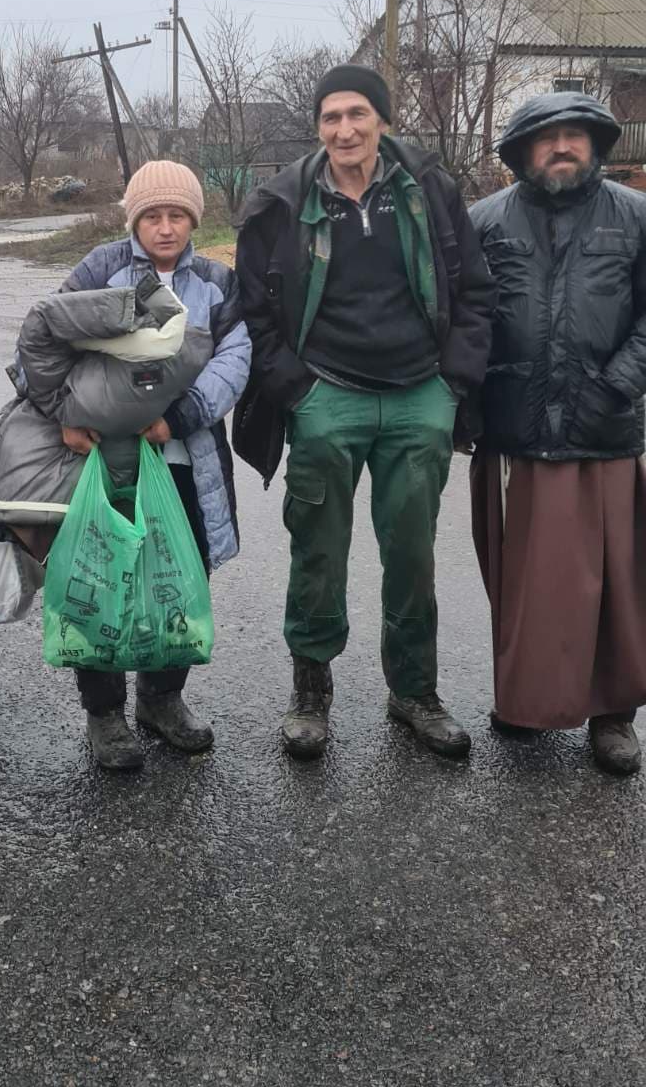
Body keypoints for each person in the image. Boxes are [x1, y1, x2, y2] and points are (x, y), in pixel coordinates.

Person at [234, 64, 494, 761]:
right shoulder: (283, 203)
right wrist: (296, 389)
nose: (344, 129)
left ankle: (414, 692)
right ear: (317, 127)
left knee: (412, 554)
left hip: (419, 395)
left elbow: (474, 288)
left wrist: (451, 385)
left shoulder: (430, 190)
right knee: (317, 550)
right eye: (331, 117)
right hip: (327, 395)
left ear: (382, 119)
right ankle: (311, 692)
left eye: (357, 114)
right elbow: (253, 308)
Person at [470, 93, 646, 774]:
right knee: (524, 583)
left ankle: (613, 716)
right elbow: (462, 322)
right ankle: (528, 701)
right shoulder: (483, 222)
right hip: (513, 429)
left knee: (612, 584)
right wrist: (465, 406)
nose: (562, 147)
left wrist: (617, 384)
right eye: (547, 139)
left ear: (597, 146)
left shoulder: (634, 218)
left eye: (575, 136)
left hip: (603, 426)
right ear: (520, 152)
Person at [57, 160, 251, 769]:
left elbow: (237, 357)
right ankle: (105, 711)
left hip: (185, 461)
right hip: (109, 462)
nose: (165, 228)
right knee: (103, 579)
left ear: (194, 219)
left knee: (176, 579)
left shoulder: (218, 281)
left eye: (177, 216)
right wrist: (63, 410)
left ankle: (162, 699)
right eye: (152, 216)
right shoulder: (99, 268)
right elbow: (50, 335)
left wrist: (182, 415)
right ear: (134, 219)